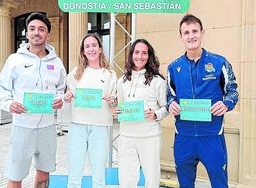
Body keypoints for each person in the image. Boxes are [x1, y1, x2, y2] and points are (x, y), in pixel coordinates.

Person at [0, 12, 66, 188]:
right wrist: (9, 104)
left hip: (47, 127)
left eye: (41, 29)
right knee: (15, 173)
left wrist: (59, 99)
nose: (36, 33)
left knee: (44, 171)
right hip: (22, 126)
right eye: (32, 29)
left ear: (48, 34)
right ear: (26, 33)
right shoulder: (15, 60)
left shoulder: (56, 63)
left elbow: (61, 88)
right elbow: (0, 89)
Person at [166, 14, 239, 188]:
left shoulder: (219, 62)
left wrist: (226, 103)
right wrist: (171, 104)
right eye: (186, 32)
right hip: (184, 137)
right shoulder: (173, 67)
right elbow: (169, 95)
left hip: (212, 135)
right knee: (185, 184)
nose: (191, 36)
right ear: (181, 37)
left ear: (202, 33)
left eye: (194, 31)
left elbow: (233, 90)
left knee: (220, 183)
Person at [63, 33, 117, 188]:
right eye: (87, 46)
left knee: (99, 174)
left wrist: (113, 99)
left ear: (100, 49)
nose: (91, 49)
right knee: (74, 171)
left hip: (100, 127)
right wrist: (67, 96)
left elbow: (115, 101)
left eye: (94, 45)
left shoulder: (110, 74)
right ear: (83, 51)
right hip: (77, 125)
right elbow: (68, 95)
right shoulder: (75, 73)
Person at [112, 39, 168, 188]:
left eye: (144, 53)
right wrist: (116, 111)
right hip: (126, 136)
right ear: (131, 55)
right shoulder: (122, 81)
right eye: (136, 52)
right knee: (126, 178)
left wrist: (156, 114)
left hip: (149, 136)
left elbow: (165, 107)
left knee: (152, 177)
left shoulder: (158, 81)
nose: (140, 56)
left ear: (149, 56)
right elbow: (120, 106)